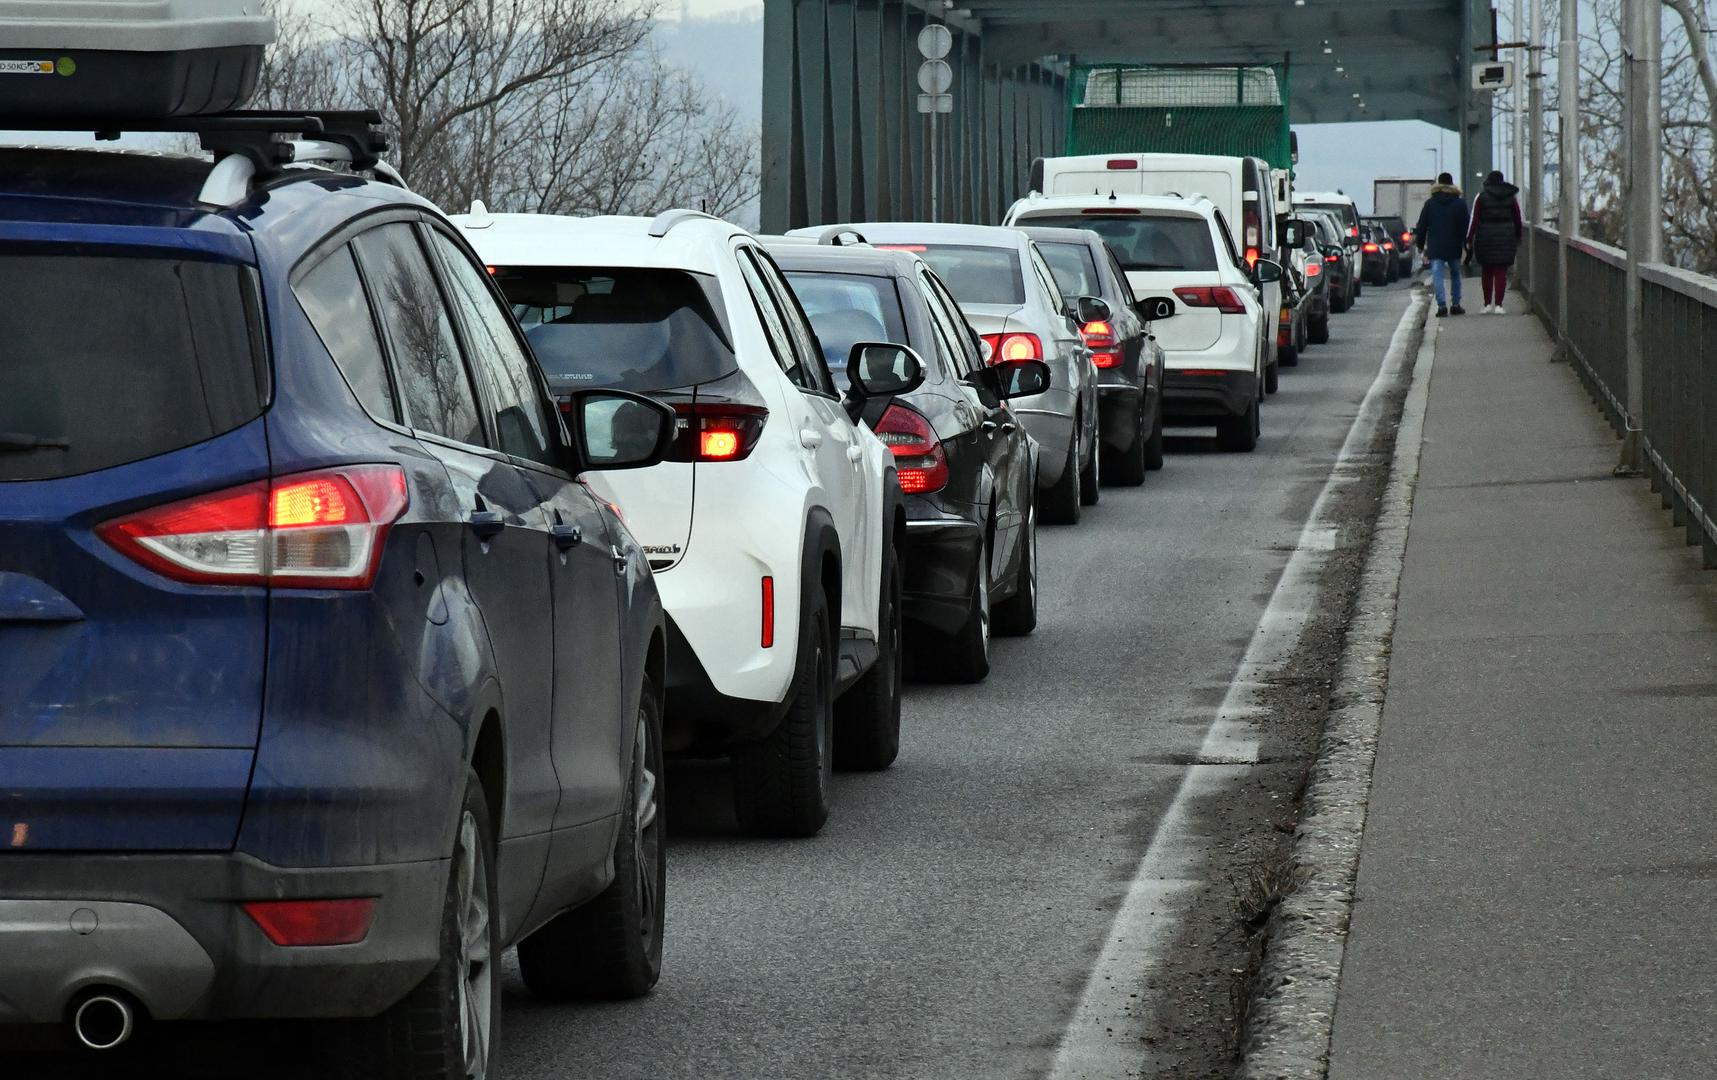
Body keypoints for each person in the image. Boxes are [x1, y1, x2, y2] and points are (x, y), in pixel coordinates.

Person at [1414, 172, 1470, 317]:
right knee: (1456, 274)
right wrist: (1465, 242)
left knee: (1437, 275)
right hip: (1454, 244)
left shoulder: (1430, 203)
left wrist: (1420, 245)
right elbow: (1465, 226)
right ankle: (1456, 304)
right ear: (1452, 184)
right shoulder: (1460, 203)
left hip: (1436, 245)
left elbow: (1422, 226)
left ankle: (1442, 306)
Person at [1467, 170, 1523, 314]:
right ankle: (1499, 305)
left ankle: (1486, 304)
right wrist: (1518, 235)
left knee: (1487, 271)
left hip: (1485, 236)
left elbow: (1475, 219)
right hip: (1506, 236)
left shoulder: (1482, 197)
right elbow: (1517, 218)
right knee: (1501, 272)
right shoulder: (1511, 198)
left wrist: (1469, 238)